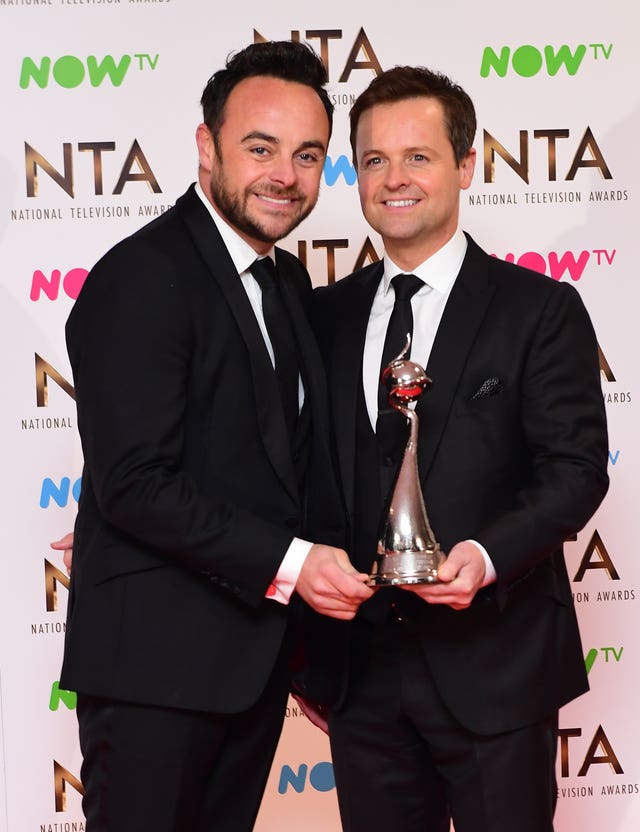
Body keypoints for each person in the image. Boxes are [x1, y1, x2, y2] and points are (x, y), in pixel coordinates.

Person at [59, 40, 372, 832]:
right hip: (153, 673)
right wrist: (296, 566)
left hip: (251, 664)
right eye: (259, 148)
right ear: (207, 147)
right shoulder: (142, 277)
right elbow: (132, 482)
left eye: (307, 155)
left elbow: (276, 464)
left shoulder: (285, 280)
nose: (285, 175)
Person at [304, 66, 609, 832]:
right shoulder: (321, 317)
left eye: (419, 156)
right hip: (360, 674)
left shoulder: (539, 309)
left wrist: (487, 551)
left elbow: (574, 470)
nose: (394, 178)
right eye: (374, 159)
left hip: (496, 666)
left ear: (465, 166)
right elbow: (296, 475)